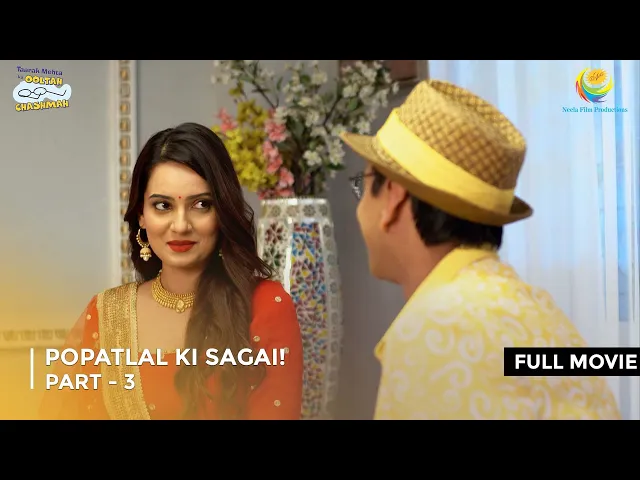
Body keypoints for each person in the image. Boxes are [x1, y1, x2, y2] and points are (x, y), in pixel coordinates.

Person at [339, 79, 621, 420]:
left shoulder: (436, 329)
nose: (359, 208)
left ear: (394, 197)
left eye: (364, 185)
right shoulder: (539, 311)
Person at [39, 122, 303, 420]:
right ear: (141, 215)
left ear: (222, 213)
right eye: (162, 206)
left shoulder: (264, 306)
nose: (180, 225)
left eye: (201, 204)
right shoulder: (107, 314)